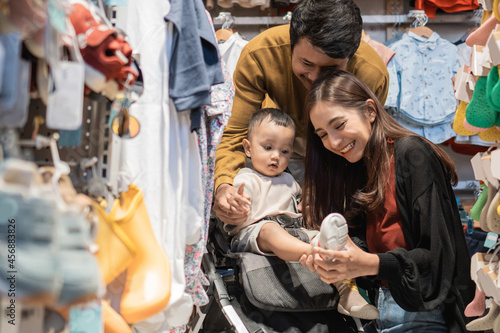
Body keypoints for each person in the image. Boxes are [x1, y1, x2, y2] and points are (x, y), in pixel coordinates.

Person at [299, 70, 475, 332]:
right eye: (322, 134)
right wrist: (334, 256)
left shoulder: (412, 154)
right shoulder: (357, 167)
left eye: (339, 125)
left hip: (427, 312)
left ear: (370, 111)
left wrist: (366, 263)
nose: (334, 142)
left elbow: (440, 259)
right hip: (381, 311)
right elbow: (365, 244)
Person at [213, 0, 389, 225]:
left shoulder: (372, 74)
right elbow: (235, 133)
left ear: (350, 58)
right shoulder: (259, 55)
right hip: (283, 150)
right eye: (306, 63)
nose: (315, 77)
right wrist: (224, 185)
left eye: (330, 69)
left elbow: (361, 147)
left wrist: (324, 188)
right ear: (290, 45)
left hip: (339, 159)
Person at [226, 107, 379, 320]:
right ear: (248, 148)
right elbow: (239, 203)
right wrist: (236, 202)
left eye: (285, 151)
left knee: (318, 233)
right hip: (255, 231)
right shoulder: (246, 178)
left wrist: (309, 207)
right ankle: (315, 252)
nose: (276, 156)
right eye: (268, 147)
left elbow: (300, 205)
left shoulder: (289, 180)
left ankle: (347, 293)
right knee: (271, 230)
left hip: (293, 230)